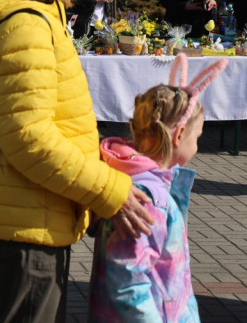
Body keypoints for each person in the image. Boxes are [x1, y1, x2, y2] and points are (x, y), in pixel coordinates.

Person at [0, 0, 153, 322]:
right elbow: (29, 140)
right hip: (30, 220)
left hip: (37, 211)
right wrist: (109, 193)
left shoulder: (39, 13)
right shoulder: (27, 25)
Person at [88, 54, 227, 321]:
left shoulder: (131, 183)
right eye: (197, 137)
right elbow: (129, 281)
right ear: (178, 135)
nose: (197, 145)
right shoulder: (149, 199)